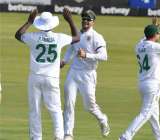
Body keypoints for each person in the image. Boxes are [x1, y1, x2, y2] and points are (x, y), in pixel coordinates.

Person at [15, 8, 80, 140]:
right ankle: (59, 136)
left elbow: (18, 35)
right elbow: (77, 38)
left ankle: (36, 137)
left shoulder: (33, 37)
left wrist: (29, 22)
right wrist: (70, 21)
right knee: (55, 109)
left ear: (39, 24)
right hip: (52, 78)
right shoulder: (59, 37)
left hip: (35, 77)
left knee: (35, 109)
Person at [119, 17, 160, 140]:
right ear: (154, 35)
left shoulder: (138, 46)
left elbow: (145, 39)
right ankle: (125, 136)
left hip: (142, 83)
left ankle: (159, 137)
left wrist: (154, 27)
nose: (159, 34)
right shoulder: (154, 47)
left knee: (153, 113)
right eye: (158, 33)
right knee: (146, 113)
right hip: (152, 84)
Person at [60, 10, 110, 140]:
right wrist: (64, 61)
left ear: (93, 22)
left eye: (88, 20)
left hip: (88, 74)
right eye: (83, 19)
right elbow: (71, 49)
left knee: (89, 106)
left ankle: (102, 119)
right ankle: (68, 134)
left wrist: (86, 55)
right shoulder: (77, 34)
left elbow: (104, 56)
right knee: (69, 103)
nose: (85, 22)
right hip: (74, 72)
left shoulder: (97, 37)